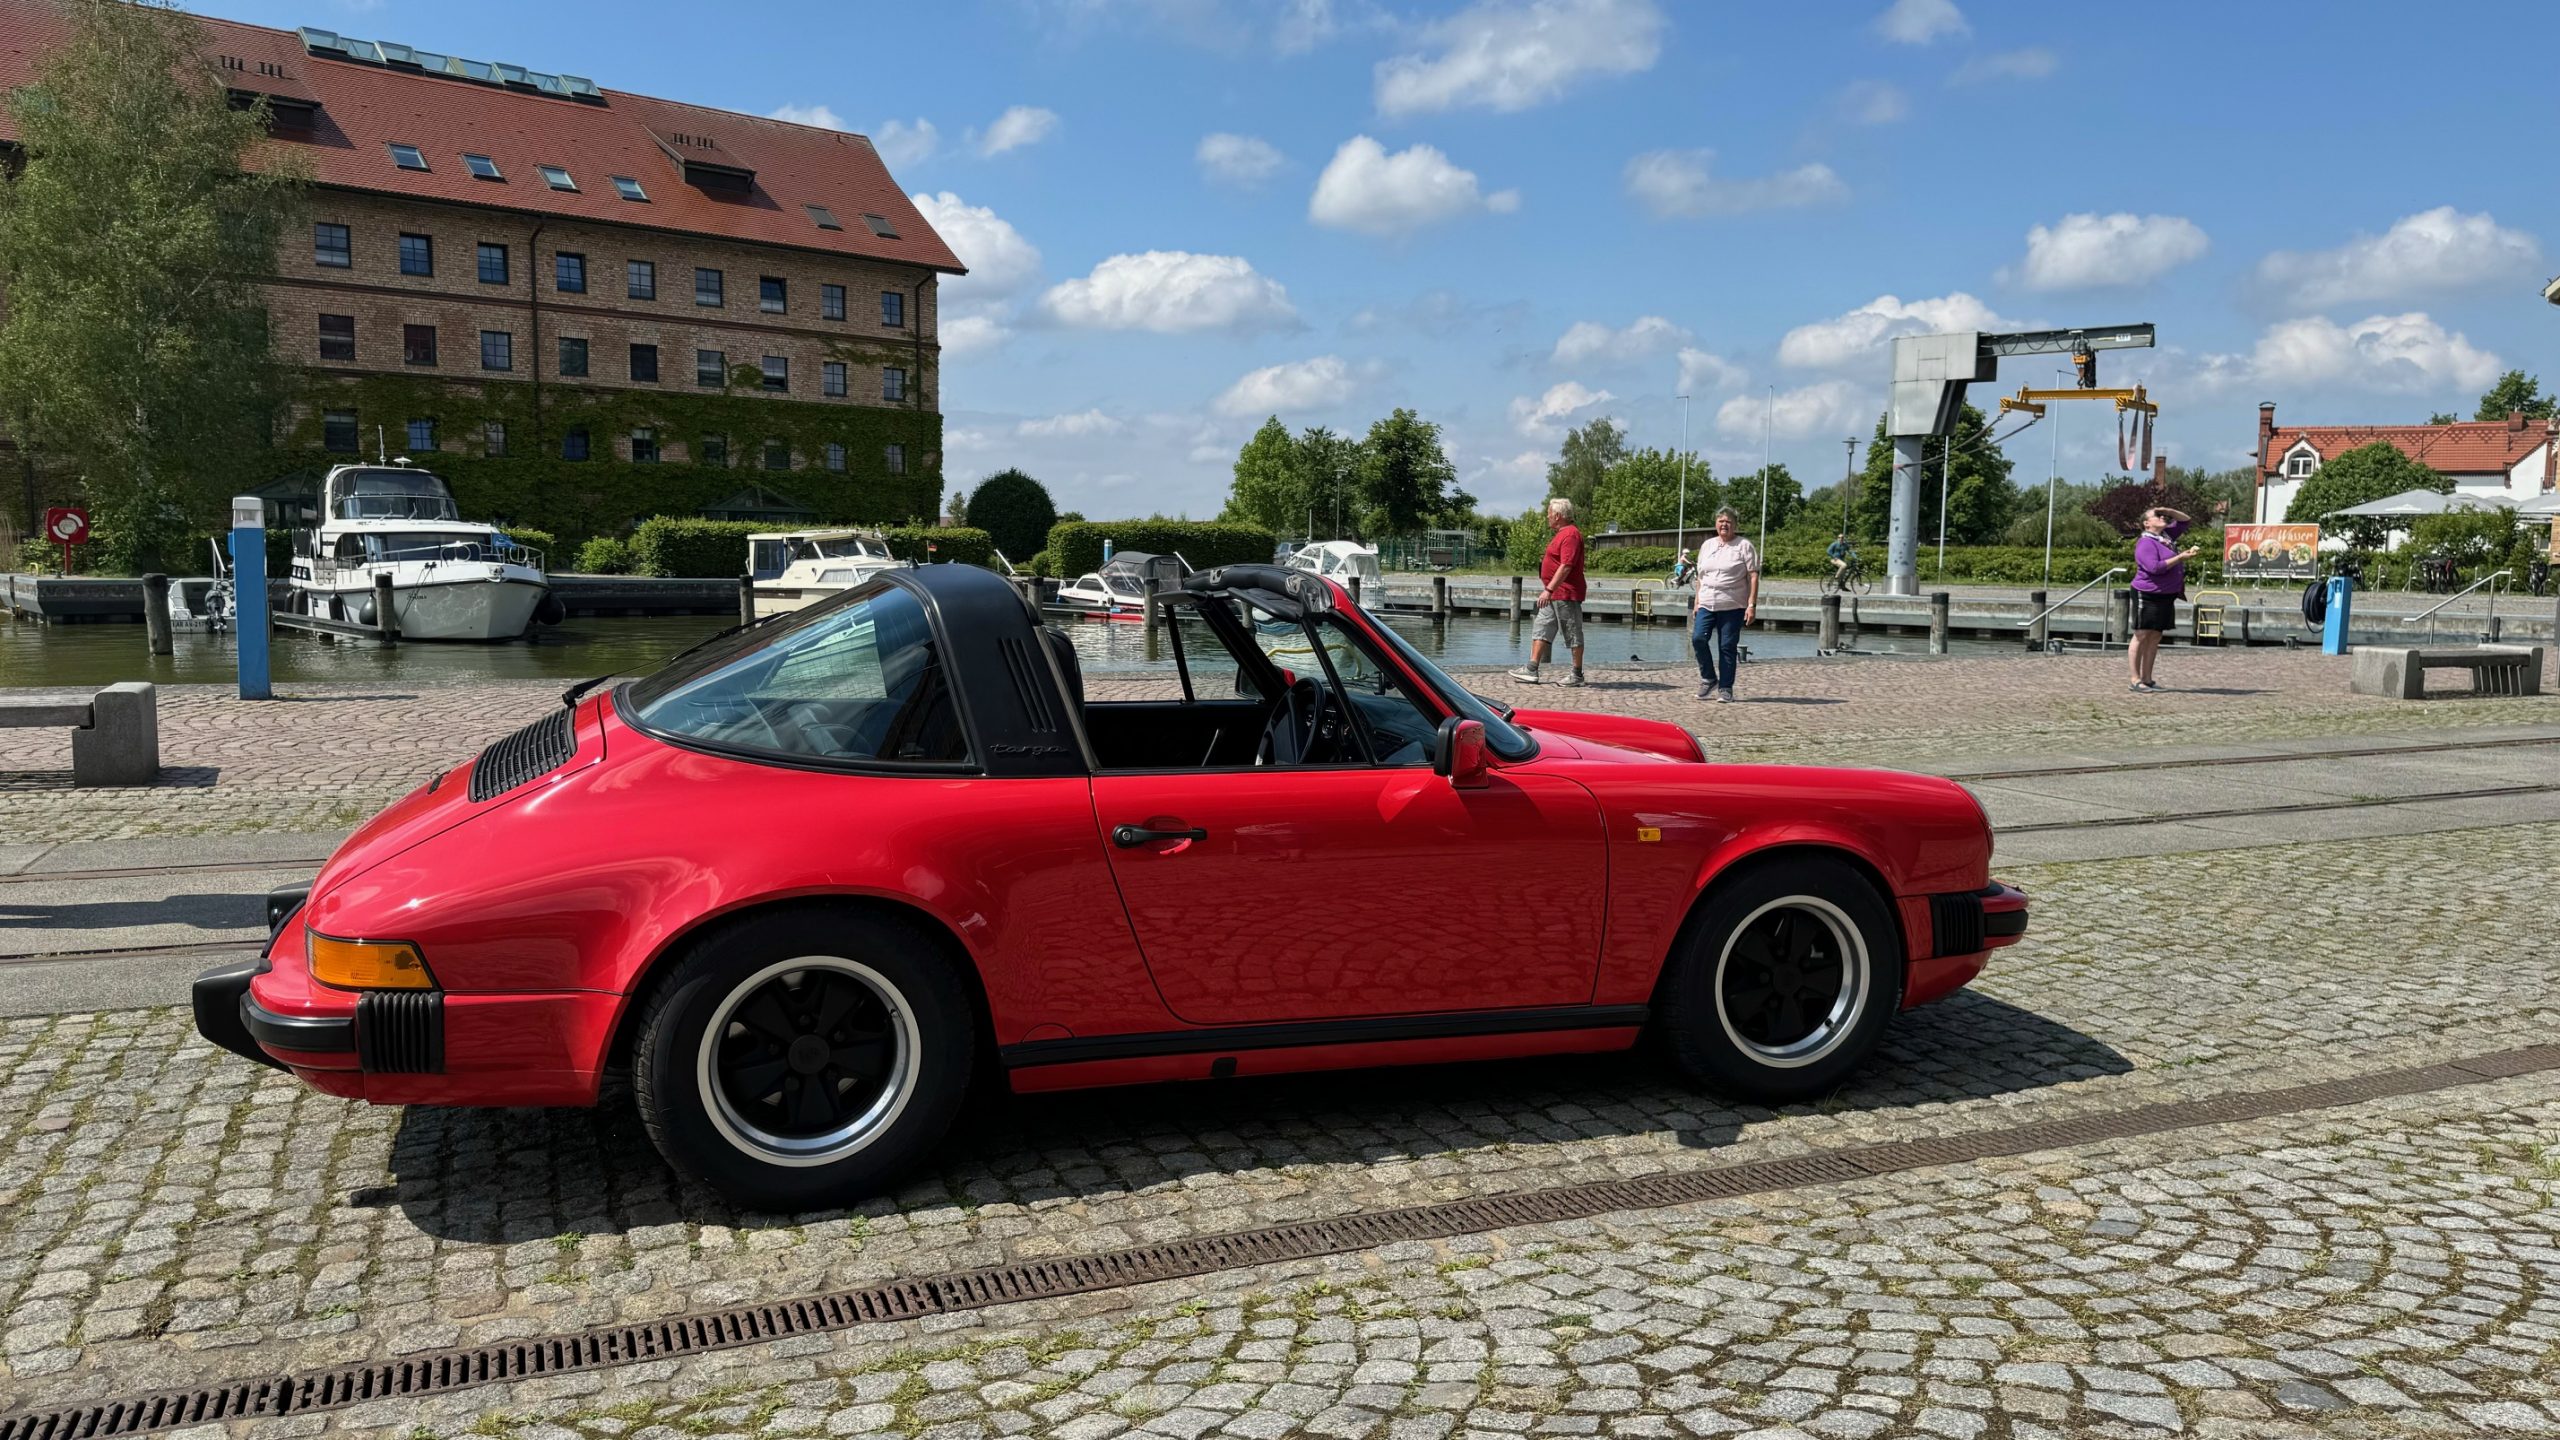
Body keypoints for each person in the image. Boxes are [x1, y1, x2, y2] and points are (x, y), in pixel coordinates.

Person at [2128, 500, 2226, 690]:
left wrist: (2168, 510)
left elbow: (2185, 521)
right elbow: (2154, 568)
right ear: (2146, 524)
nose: (2162, 517)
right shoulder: (2145, 543)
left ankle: (2147, 678)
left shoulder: (2165, 537)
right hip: (2147, 593)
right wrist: (2181, 557)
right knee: (2141, 634)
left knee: (2155, 635)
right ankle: (2135, 679)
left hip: (2166, 594)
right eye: (2157, 516)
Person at [1510, 497, 1585, 685]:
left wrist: (1549, 588)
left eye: (1549, 514)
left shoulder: (1571, 535)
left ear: (1558, 516)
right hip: (1552, 593)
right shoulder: (1561, 533)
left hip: (1565, 593)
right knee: (1541, 627)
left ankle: (1577, 674)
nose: (1547, 517)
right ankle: (1531, 669)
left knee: (1572, 631)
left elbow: (1567, 565)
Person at [1690, 509, 1759, 703]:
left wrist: (1751, 604)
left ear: (1735, 524)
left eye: (1728, 521)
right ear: (1715, 524)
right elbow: (1700, 577)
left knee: (1726, 646)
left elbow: (1753, 575)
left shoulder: (1744, 546)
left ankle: (1726, 688)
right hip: (1706, 603)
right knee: (1698, 639)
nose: (1724, 525)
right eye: (1721, 521)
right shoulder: (1707, 545)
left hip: (1733, 604)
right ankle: (1709, 678)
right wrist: (1697, 601)